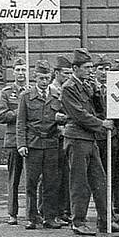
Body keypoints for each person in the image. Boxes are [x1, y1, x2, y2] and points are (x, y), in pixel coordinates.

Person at [61, 48, 119, 235]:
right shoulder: (69, 88)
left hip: (90, 139)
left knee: (100, 181)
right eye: (87, 67)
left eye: (91, 67)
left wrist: (97, 93)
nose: (90, 70)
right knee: (79, 183)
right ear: (75, 68)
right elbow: (79, 115)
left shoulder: (87, 85)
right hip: (77, 139)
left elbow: (98, 109)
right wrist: (101, 124)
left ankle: (106, 220)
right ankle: (78, 221)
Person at [16, 60, 64, 230]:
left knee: (51, 182)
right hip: (33, 145)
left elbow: (64, 117)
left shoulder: (57, 96)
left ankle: (49, 217)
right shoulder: (26, 97)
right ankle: (31, 217)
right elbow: (21, 123)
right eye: (41, 78)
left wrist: (61, 120)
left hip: (51, 144)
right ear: (35, 77)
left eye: (47, 78)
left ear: (50, 77)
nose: (44, 81)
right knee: (31, 183)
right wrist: (21, 144)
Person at [93, 54, 119, 223]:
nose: (104, 72)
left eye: (107, 69)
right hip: (97, 137)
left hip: (113, 137)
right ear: (95, 71)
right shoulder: (91, 88)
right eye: (101, 69)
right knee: (99, 176)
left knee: (113, 176)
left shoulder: (117, 88)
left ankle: (112, 211)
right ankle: (102, 214)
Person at [0, 58, 27, 225]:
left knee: (32, 180)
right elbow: (1, 116)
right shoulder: (6, 92)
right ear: (13, 72)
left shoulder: (31, 91)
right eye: (18, 70)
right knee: (14, 179)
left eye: (23, 70)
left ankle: (32, 213)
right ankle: (12, 214)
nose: (21, 74)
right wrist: (20, 112)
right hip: (13, 141)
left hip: (29, 141)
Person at [49, 54, 72, 223]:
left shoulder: (67, 89)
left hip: (65, 136)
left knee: (66, 175)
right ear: (56, 73)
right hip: (53, 137)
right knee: (52, 177)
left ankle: (63, 211)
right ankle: (51, 211)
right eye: (65, 73)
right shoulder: (51, 90)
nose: (68, 76)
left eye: (70, 73)